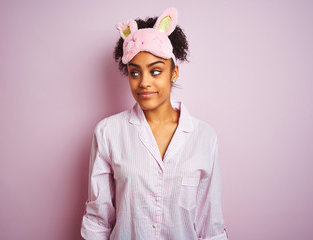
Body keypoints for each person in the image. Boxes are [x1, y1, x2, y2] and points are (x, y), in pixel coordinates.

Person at [80, 7, 229, 240]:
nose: (144, 83)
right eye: (135, 73)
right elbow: (98, 221)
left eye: (156, 71)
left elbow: (210, 225)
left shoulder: (204, 137)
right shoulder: (108, 133)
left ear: (174, 73)